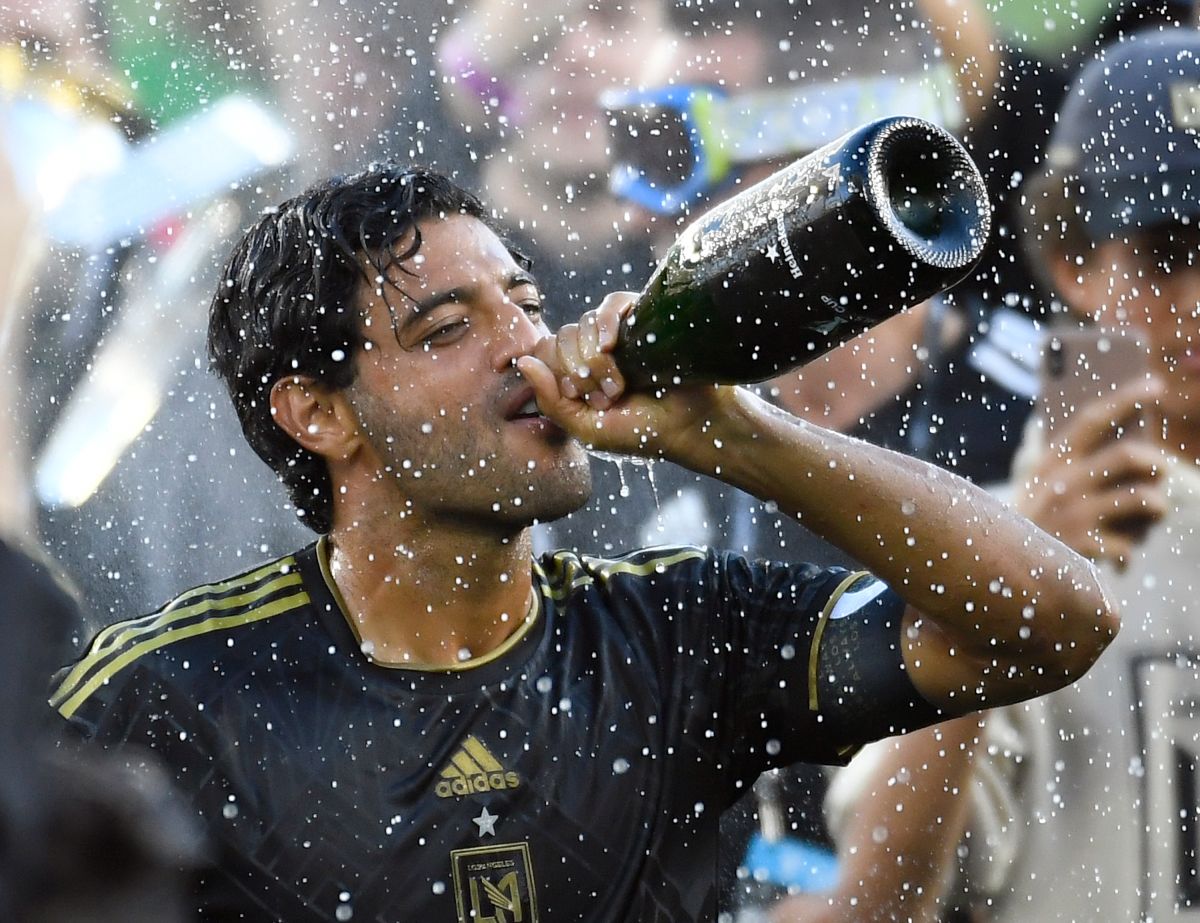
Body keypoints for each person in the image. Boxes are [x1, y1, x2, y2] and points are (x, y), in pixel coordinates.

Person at [50, 164, 1115, 921]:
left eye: (525, 301)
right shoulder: (169, 698)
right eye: (450, 329)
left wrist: (733, 431)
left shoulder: (678, 633)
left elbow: (1054, 621)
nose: (525, 345)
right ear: (316, 413)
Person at [949, 26, 1200, 922]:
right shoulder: (971, 524)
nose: (1199, 298)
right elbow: (896, 888)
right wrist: (1000, 573)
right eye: (1168, 251)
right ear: (1074, 261)